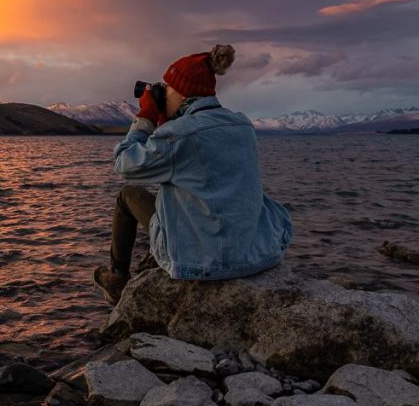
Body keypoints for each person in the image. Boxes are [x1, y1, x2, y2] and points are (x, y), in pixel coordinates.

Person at [93, 44, 293, 305]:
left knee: (127, 195)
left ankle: (117, 280)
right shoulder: (243, 125)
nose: (162, 94)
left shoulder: (180, 135)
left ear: (180, 90)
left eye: (166, 88)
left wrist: (145, 118)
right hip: (256, 255)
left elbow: (124, 163)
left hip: (202, 264)